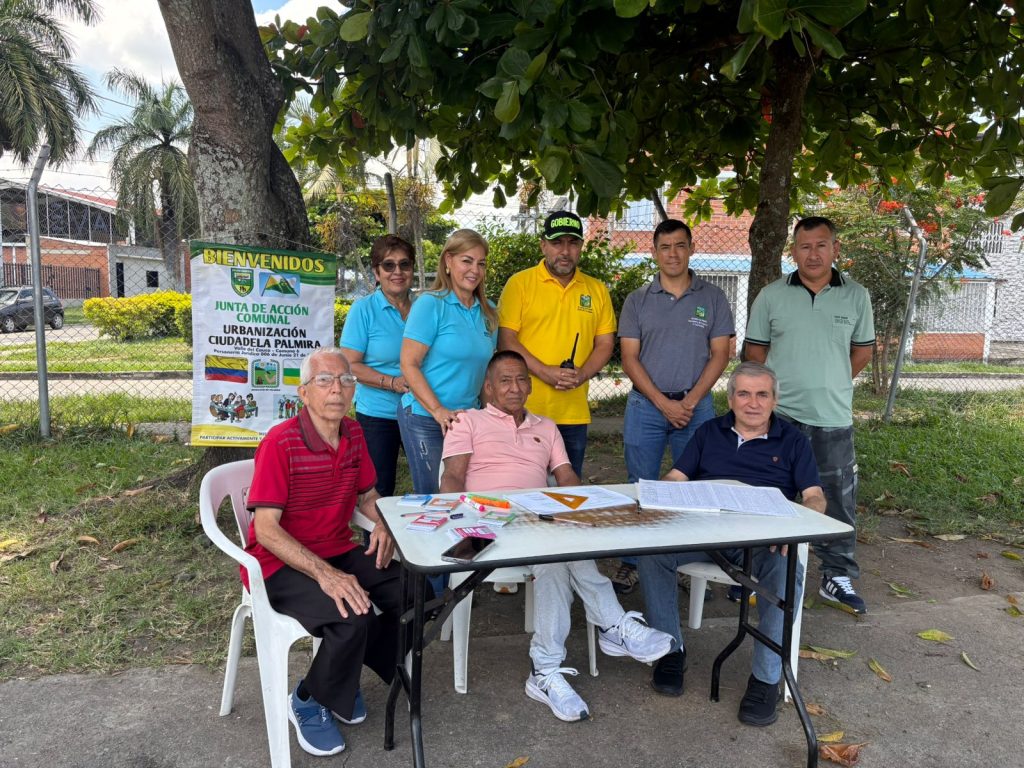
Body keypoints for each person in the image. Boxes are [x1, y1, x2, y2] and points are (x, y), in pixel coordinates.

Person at [440, 351, 673, 723]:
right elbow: (452, 476)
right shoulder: (467, 421)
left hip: (539, 519)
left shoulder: (546, 427)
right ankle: (612, 626)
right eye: (505, 380)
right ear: (487, 387)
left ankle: (545, 672)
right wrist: (460, 517)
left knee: (558, 554)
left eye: (521, 380)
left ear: (531, 386)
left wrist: (577, 508)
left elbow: (565, 476)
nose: (515, 387)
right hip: (489, 524)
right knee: (557, 553)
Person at [638, 361, 826, 726]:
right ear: (731, 398)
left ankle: (767, 678)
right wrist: (658, 499)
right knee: (651, 553)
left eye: (762, 394)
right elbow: (677, 477)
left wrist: (802, 525)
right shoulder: (710, 432)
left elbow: (814, 495)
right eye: (744, 393)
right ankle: (669, 651)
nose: (753, 403)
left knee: (788, 572)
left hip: (763, 540)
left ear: (774, 400)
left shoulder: (793, 441)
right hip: (704, 531)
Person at [245, 347, 404, 757]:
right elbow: (265, 530)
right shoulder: (281, 442)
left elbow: (367, 494)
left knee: (417, 592)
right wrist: (325, 574)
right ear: (303, 392)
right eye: (325, 381)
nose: (337, 389)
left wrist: (382, 521)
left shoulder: (353, 434)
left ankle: (342, 676)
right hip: (277, 563)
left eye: (345, 380)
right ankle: (309, 698)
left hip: (336, 547)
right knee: (353, 615)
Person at [744, 216, 875, 614]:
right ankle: (760, 574)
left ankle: (836, 575)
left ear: (835, 249)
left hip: (832, 415)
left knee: (836, 497)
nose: (813, 253)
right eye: (804, 246)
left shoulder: (856, 296)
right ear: (793, 251)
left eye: (821, 245)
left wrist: (831, 381)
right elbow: (755, 353)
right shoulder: (771, 295)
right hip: (779, 417)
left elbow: (862, 352)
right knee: (770, 493)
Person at [611, 218, 735, 596]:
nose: (672, 254)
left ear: (691, 249)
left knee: (692, 487)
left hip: (695, 408)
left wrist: (690, 401)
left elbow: (721, 354)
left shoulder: (712, 297)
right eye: (665, 247)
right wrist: (664, 403)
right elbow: (629, 358)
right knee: (641, 486)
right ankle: (634, 561)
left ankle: (680, 560)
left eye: (680, 245)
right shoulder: (637, 300)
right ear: (654, 252)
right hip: (647, 406)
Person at [497, 210, 616, 479]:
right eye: (557, 243)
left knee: (567, 493)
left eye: (572, 243)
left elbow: (605, 343)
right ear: (543, 245)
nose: (565, 251)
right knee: (522, 487)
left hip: (572, 412)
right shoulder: (520, 283)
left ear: (581, 247)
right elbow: (507, 340)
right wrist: (544, 371)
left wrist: (583, 374)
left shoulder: (596, 290)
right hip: (524, 409)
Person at [398, 229, 498, 497]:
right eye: (467, 261)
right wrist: (438, 410)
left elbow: (486, 372)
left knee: (469, 491)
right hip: (426, 416)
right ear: (448, 262)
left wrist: (489, 416)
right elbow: (408, 364)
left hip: (468, 418)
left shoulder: (488, 311)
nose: (474, 270)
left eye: (481, 263)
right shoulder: (431, 304)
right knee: (434, 496)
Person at [340, 234, 415, 497]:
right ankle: (376, 539)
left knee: (433, 485)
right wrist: (392, 383)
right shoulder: (364, 310)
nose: (397, 272)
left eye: (405, 264)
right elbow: (349, 364)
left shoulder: (425, 307)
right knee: (378, 489)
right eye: (389, 265)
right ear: (376, 271)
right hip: (378, 414)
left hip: (423, 411)